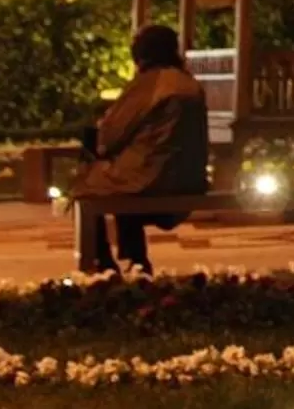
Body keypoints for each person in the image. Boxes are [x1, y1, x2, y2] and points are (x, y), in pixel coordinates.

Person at [69, 24, 208, 272]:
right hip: (189, 178)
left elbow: (109, 137)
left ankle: (103, 262)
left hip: (151, 179)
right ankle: (134, 257)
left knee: (87, 186)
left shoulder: (149, 84)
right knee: (121, 177)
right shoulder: (189, 84)